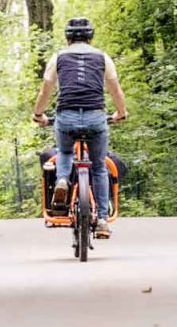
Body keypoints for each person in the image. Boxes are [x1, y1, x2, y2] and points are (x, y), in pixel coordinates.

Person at [31, 17, 127, 240]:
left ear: (67, 38)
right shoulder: (103, 57)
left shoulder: (59, 57)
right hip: (96, 116)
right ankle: (102, 220)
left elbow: (46, 88)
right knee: (99, 167)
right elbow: (115, 89)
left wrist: (38, 114)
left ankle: (63, 179)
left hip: (66, 116)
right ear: (91, 37)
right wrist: (120, 112)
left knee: (64, 152)